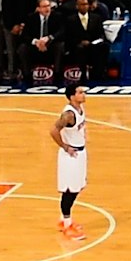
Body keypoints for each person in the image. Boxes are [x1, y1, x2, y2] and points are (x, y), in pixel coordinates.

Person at [51, 91, 91, 242]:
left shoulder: (80, 109)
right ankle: (67, 224)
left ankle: (63, 220)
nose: (84, 94)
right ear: (72, 96)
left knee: (79, 186)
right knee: (70, 190)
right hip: (71, 155)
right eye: (80, 92)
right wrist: (65, 146)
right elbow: (53, 131)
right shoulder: (69, 115)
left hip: (80, 152)